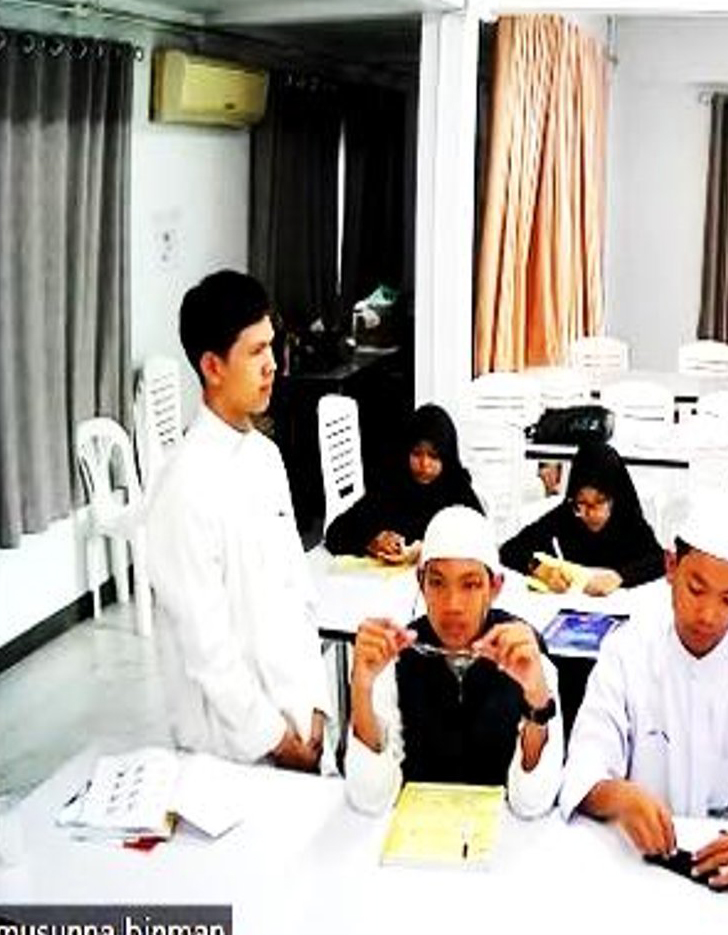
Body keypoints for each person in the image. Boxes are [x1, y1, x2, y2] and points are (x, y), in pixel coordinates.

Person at [560, 489, 728, 892]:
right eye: (696, 589)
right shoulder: (628, 649)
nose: (708, 615)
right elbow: (587, 759)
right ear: (671, 567)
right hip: (640, 867)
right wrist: (618, 797)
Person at [146, 271, 329, 771]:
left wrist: (316, 706)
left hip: (302, 727)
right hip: (234, 754)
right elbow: (207, 648)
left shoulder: (266, 458)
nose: (273, 365)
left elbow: (299, 592)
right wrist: (276, 739)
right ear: (212, 366)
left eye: (272, 346)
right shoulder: (182, 488)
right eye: (256, 351)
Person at [345, 506, 563, 816]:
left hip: (502, 836)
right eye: (437, 583)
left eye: (470, 584)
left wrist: (537, 702)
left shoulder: (527, 659)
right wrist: (361, 688)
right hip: (416, 832)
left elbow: (532, 804)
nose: (453, 605)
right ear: (421, 583)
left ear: (495, 587)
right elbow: (369, 799)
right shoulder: (396, 658)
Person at [498, 442, 664, 596]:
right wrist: (540, 569)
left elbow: (659, 561)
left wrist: (620, 577)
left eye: (599, 502)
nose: (590, 513)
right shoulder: (566, 517)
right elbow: (509, 551)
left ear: (616, 497)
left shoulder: (629, 521)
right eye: (582, 503)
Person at [323, 404, 483, 563]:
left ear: (447, 457)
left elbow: (480, 538)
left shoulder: (456, 488)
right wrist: (371, 542)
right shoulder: (392, 485)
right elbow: (335, 533)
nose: (424, 464)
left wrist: (424, 550)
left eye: (434, 456)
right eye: (416, 454)